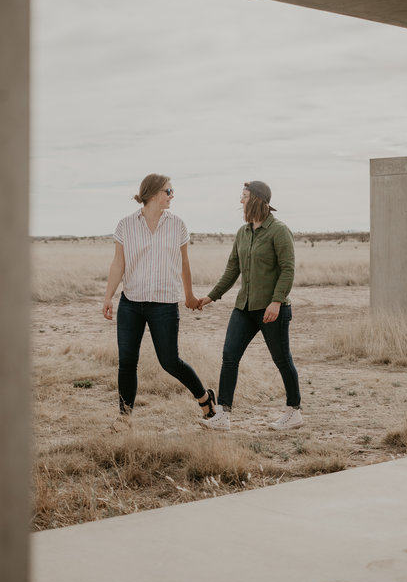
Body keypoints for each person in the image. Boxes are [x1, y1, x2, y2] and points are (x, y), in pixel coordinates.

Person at [103, 173, 216, 429]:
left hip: (164, 305)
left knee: (170, 361)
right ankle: (124, 417)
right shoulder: (125, 225)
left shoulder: (178, 225)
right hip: (131, 303)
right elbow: (118, 263)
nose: (172, 195)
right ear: (153, 193)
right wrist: (108, 296)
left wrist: (189, 296)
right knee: (127, 362)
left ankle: (205, 400)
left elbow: (184, 263)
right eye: (168, 191)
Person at [197, 181, 303, 431]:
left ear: (257, 200)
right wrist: (210, 297)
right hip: (243, 308)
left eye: (244, 196)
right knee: (229, 357)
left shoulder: (279, 230)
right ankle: (222, 414)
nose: (240, 201)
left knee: (282, 359)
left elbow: (288, 269)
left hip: (272, 310)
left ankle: (294, 411)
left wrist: (276, 301)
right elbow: (232, 270)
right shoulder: (243, 233)